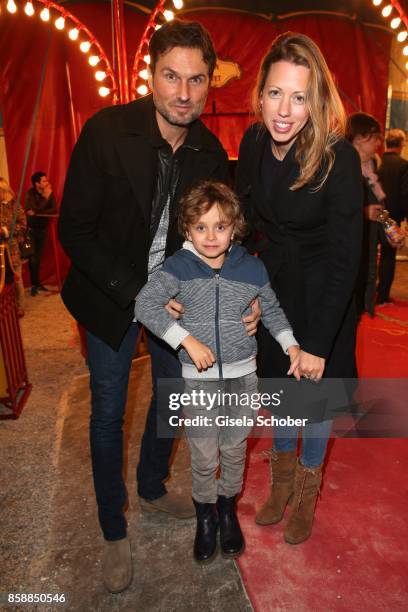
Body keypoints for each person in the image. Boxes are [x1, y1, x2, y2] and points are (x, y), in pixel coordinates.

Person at [59, 20, 259, 593]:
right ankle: (112, 527)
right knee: (109, 409)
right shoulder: (106, 132)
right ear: (151, 75)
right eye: (171, 76)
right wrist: (134, 293)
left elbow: (225, 235)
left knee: (174, 399)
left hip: (176, 303)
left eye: (196, 80)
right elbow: (75, 230)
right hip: (108, 296)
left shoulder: (210, 151)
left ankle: (151, 485)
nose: (183, 92)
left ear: (208, 85)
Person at [236, 32, 363, 544]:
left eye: (299, 97)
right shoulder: (250, 142)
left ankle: (306, 493)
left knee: (313, 402)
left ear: (317, 100)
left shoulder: (338, 158)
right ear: (260, 93)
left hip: (322, 300)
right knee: (281, 395)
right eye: (274, 93)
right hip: (275, 293)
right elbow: (244, 223)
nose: (284, 110)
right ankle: (281, 484)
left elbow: (345, 258)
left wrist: (316, 343)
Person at [135, 180, 300, 563]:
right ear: (187, 229)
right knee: (204, 455)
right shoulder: (176, 267)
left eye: (220, 226)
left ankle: (227, 512)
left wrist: (290, 343)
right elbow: (145, 304)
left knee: (234, 450)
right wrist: (184, 340)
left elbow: (271, 310)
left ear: (234, 228)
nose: (211, 236)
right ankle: (205, 516)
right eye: (201, 227)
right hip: (198, 382)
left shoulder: (252, 267)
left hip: (243, 379)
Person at [346, 113, 385, 317]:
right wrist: (363, 212)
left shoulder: (370, 166)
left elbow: (375, 203)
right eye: (375, 137)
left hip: (366, 245)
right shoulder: (342, 163)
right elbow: (329, 207)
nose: (378, 143)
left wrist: (387, 227)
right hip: (348, 248)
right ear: (360, 138)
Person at [376, 128, 408, 305]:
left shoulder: (375, 162)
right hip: (392, 218)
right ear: (401, 145)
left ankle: (366, 291)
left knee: (369, 254)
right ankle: (383, 295)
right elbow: (405, 195)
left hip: (373, 216)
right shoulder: (404, 165)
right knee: (388, 257)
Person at [25, 171, 57, 295]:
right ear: (37, 184)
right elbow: (30, 211)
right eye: (44, 181)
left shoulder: (48, 192)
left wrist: (38, 210)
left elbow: (54, 208)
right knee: (32, 258)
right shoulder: (30, 193)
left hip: (42, 229)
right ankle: (34, 285)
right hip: (31, 230)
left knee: (38, 258)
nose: (47, 182)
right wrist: (46, 198)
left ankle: (37, 283)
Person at [0, 177, 26, 316]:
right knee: (3, 281)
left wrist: (5, 231)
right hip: (0, 250)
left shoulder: (15, 206)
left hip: (13, 249)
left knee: (16, 279)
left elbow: (22, 226)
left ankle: (20, 307)